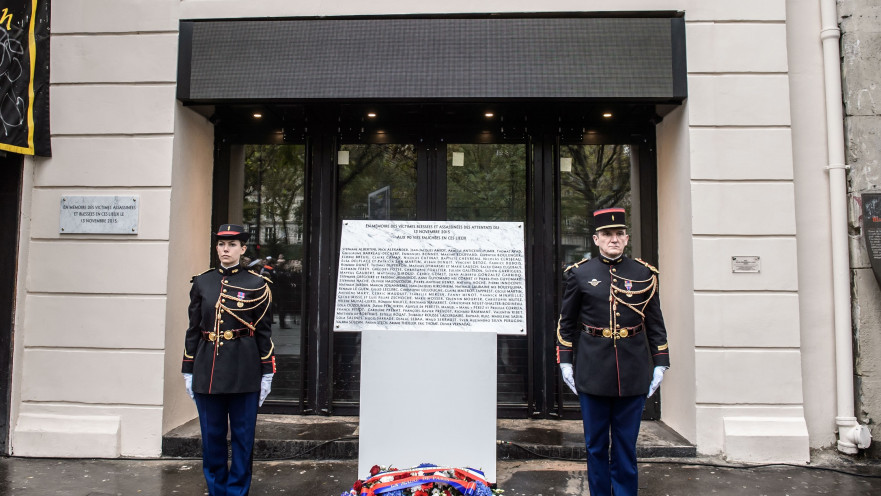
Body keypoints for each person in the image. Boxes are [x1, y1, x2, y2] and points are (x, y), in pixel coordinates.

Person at [556, 208, 670, 496]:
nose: (614, 239)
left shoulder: (643, 274)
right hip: (593, 371)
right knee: (595, 446)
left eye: (619, 234)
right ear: (596, 239)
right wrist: (565, 362)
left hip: (632, 372)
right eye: (607, 234)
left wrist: (661, 363)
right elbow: (566, 323)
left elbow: (655, 323)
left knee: (625, 446)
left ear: (627, 237)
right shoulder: (581, 274)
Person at [181, 223, 276, 496]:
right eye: (222, 244)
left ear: (242, 249)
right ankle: (216, 490)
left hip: (244, 370)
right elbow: (193, 328)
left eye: (232, 244)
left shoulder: (257, 284)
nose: (226, 249)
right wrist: (188, 368)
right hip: (207, 369)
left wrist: (267, 371)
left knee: (243, 439)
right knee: (212, 439)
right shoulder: (202, 282)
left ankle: (237, 491)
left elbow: (264, 332)